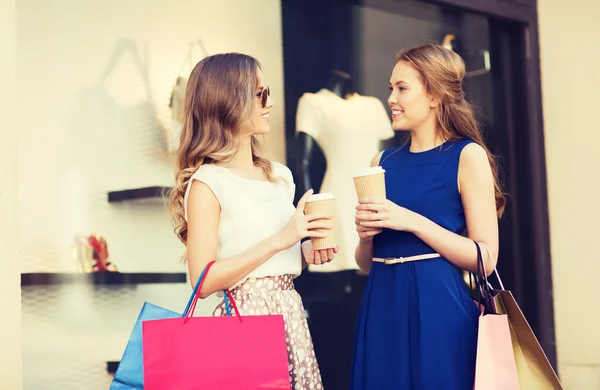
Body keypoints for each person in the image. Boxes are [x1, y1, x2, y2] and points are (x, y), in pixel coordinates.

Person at [168, 53, 338, 389]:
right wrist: (282, 238)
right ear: (229, 101)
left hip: (291, 315)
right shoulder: (208, 183)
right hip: (243, 321)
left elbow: (275, 260)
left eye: (267, 91)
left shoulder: (280, 176)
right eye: (260, 94)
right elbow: (202, 282)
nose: (270, 102)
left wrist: (305, 251)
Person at [350, 44, 506, 389]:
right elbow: (365, 263)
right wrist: (365, 236)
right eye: (391, 87)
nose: (391, 97)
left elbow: (486, 257)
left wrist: (411, 220)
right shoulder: (381, 162)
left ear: (434, 94)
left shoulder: (467, 155)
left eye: (402, 88)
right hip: (381, 302)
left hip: (439, 306)